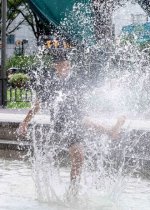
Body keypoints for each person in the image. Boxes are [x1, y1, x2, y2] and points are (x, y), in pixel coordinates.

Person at [17, 49, 126, 197]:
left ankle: (72, 190)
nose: (65, 69)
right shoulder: (50, 83)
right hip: (62, 123)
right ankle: (110, 131)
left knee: (79, 156)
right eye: (62, 66)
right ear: (56, 66)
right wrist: (24, 123)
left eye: (68, 66)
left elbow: (94, 90)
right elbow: (37, 106)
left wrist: (109, 87)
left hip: (77, 119)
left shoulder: (75, 81)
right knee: (82, 128)